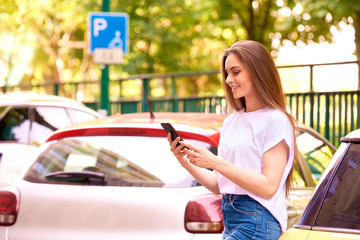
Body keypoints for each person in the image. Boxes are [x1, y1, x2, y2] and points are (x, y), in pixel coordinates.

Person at [167, 40, 297, 240]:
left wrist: (215, 162)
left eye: (236, 72)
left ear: (258, 71)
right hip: (230, 219)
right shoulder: (230, 122)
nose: (228, 79)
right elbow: (220, 186)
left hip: (258, 221)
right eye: (227, 73)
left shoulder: (275, 120)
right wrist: (184, 160)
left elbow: (269, 186)